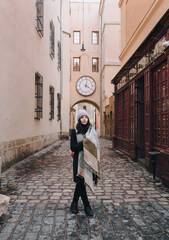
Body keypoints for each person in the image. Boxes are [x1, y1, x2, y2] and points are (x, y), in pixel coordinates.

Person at [70, 109, 99, 216]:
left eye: (85, 117)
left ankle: (74, 204)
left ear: (88, 118)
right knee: (80, 182)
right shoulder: (74, 131)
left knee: (80, 183)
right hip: (78, 161)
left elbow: (96, 146)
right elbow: (73, 147)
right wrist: (85, 142)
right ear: (79, 119)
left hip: (89, 161)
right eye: (82, 117)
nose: (84, 119)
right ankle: (87, 206)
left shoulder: (92, 131)